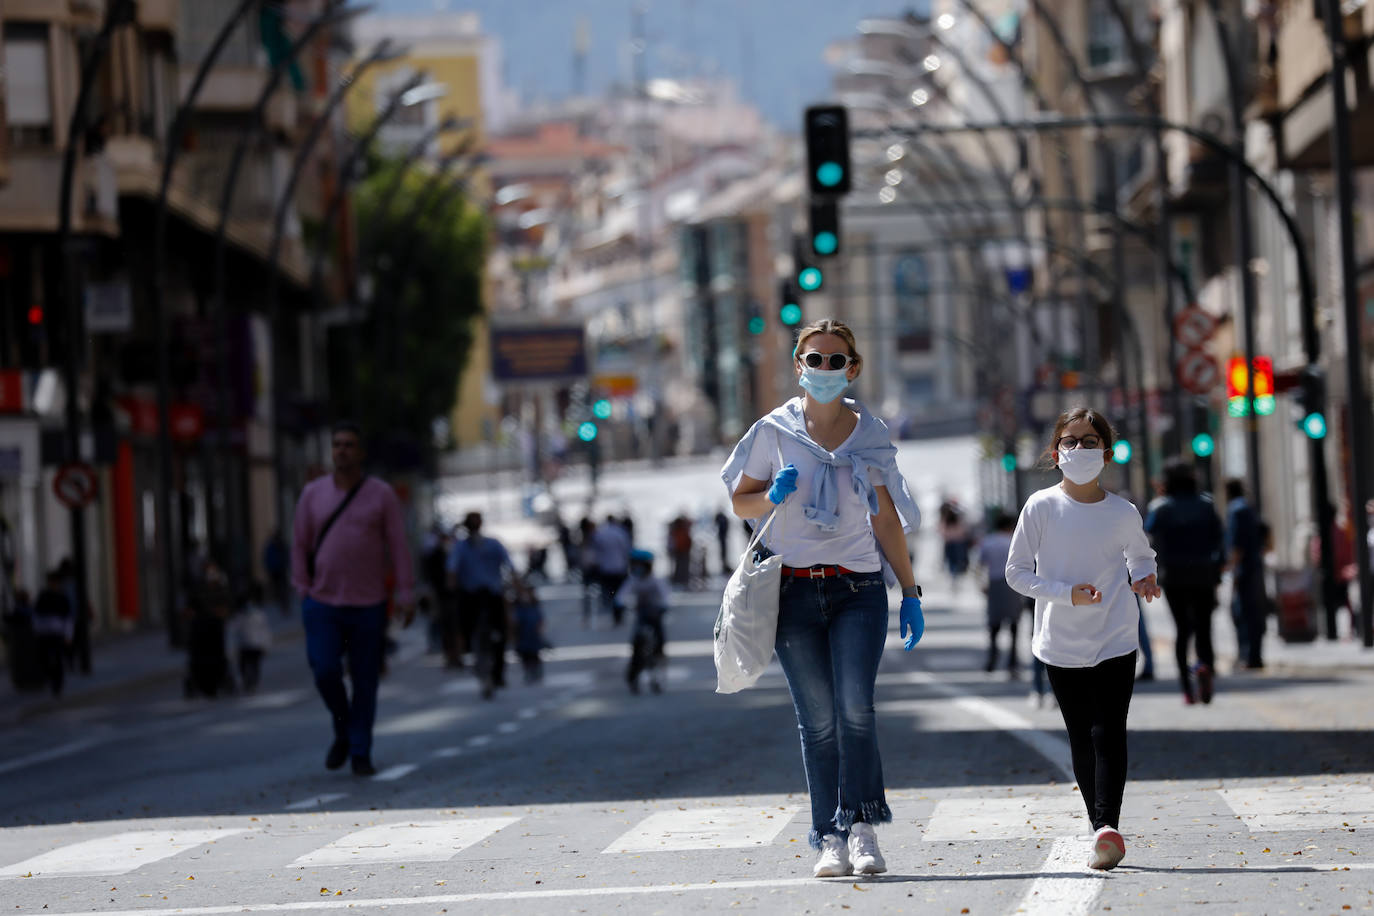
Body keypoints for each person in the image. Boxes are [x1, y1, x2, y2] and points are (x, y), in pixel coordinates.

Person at [721, 318, 924, 879]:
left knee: (855, 710)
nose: (826, 369)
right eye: (816, 360)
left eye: (837, 361)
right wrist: (768, 496)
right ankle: (828, 837)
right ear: (798, 366)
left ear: (853, 368)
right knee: (818, 722)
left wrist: (909, 590)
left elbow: (886, 521)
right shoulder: (774, 431)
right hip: (791, 590)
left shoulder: (872, 434)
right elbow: (740, 501)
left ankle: (861, 830)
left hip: (858, 588)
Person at [1005, 406, 1160, 872]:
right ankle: (1099, 825)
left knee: (1109, 730)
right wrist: (1064, 594)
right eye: (1070, 441)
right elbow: (1015, 573)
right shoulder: (1041, 507)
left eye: (1090, 441)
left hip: (1116, 636)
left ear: (1107, 453)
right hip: (1060, 641)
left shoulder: (1122, 511)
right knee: (1080, 735)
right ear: (1055, 453)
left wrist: (1145, 577)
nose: (1080, 449)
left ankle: (1106, 826)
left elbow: (1140, 554)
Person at [292, 420, 415, 777]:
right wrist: (302, 588)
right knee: (325, 670)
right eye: (337, 445)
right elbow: (299, 544)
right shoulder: (312, 494)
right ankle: (343, 727)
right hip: (322, 601)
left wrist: (404, 594)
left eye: (348, 445)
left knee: (365, 679)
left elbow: (398, 546)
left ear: (360, 452)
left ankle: (360, 750)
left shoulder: (381, 494)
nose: (342, 450)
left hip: (368, 603)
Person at [1144, 460, 1225, 704]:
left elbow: (1150, 537)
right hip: (1204, 572)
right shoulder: (1206, 504)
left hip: (1174, 574)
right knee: (1204, 626)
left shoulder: (1161, 507)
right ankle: (1205, 667)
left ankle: (1187, 688)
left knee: (1182, 629)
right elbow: (1219, 538)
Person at [447, 511, 515, 700]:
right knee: (467, 629)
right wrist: (452, 587)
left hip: (492, 595)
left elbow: (510, 566)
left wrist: (516, 585)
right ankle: (471, 655)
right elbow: (452, 570)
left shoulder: (493, 544)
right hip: (471, 597)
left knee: (500, 632)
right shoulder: (461, 547)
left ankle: (497, 672)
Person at [1224, 478, 1266, 670]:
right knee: (1254, 613)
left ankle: (1248, 656)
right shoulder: (1248, 508)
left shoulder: (1235, 510)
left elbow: (1236, 545)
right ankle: (1255, 655)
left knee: (1242, 613)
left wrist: (1231, 568)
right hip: (1255, 566)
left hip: (1244, 569)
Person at [618, 548, 671, 694]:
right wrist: (619, 604)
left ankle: (659, 662)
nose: (638, 568)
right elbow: (622, 594)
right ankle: (633, 674)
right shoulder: (633, 580)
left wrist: (664, 606)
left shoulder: (655, 580)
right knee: (636, 642)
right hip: (641, 614)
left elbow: (665, 595)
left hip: (655, 614)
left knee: (659, 641)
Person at [975, 513, 1020, 678]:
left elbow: (979, 565)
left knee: (994, 625)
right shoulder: (1014, 541)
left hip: (994, 584)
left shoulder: (988, 541)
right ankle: (1013, 663)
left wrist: (982, 584)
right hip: (1013, 586)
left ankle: (992, 661)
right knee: (1014, 625)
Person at [32, 570, 74, 696]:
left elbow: (67, 618)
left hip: (57, 633)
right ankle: (50, 679)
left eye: (55, 582)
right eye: (52, 582)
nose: (54, 585)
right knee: (45, 659)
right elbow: (37, 615)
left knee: (58, 660)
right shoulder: (43, 596)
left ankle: (57, 685)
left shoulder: (62, 597)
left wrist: (68, 635)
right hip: (45, 633)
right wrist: (37, 630)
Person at [231, 581, 273, 693]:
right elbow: (235, 630)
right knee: (248, 665)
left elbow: (264, 630)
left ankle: (251, 682)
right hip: (248, 644)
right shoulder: (245, 615)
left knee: (251, 665)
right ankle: (249, 682)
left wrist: (266, 644)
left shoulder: (255, 615)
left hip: (251, 644)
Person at [590, 515, 632, 624]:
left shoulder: (601, 533)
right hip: (619, 567)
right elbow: (626, 548)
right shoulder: (620, 532)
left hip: (606, 567)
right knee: (619, 591)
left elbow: (595, 549)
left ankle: (613, 608)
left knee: (610, 591)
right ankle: (618, 610)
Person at [511, 580, 546, 684]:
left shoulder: (534, 607)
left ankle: (536, 670)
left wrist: (540, 630)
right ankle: (528, 671)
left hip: (533, 636)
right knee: (525, 656)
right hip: (523, 637)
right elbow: (514, 622)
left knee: (535, 655)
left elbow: (540, 619)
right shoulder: (518, 608)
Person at [937, 498, 972, 586]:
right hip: (959, 542)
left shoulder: (946, 520)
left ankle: (953, 576)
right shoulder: (958, 519)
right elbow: (964, 530)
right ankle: (956, 576)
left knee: (951, 560)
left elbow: (942, 531)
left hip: (949, 543)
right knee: (958, 560)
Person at [262, 528, 289, 616]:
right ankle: (282, 605)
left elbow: (267, 558)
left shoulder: (276, 545)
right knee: (280, 588)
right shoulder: (277, 544)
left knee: (280, 588)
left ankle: (283, 606)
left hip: (277, 570)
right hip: (278, 570)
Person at [667, 514, 693, 589]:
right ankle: (679, 581)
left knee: (681, 567)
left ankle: (681, 580)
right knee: (680, 567)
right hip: (680, 551)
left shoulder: (679, 531)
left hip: (682, 551)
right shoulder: (679, 531)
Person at [714, 509, 733, 576]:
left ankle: (725, 566)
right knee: (723, 552)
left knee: (724, 552)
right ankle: (724, 567)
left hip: (722, 538)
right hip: (721, 538)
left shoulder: (721, 519)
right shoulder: (722, 518)